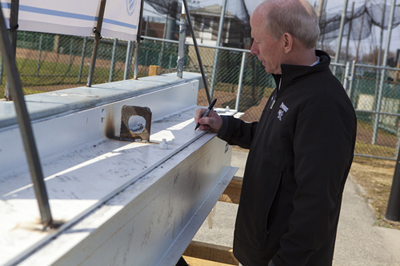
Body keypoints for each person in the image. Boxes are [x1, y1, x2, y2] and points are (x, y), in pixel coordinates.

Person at [194, 0, 357, 265]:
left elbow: (315, 209)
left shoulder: (323, 106)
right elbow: (274, 141)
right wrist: (224, 126)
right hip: (260, 252)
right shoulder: (290, 83)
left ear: (286, 42)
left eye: (258, 40)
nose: (252, 49)